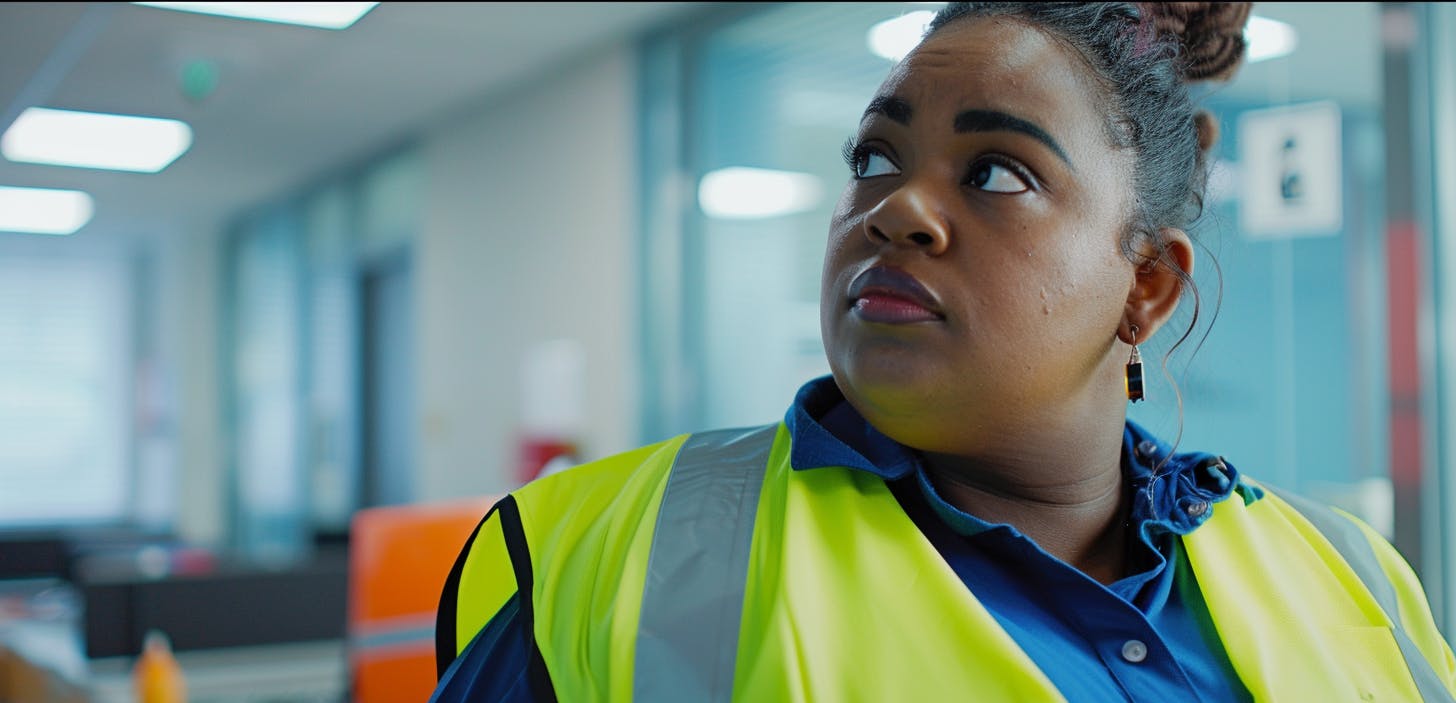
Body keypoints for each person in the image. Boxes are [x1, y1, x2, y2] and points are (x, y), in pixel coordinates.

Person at [432, 3, 1456, 701]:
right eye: (874, 159)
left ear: (1145, 285)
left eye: (997, 173)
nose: (896, 210)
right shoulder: (598, 556)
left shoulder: (1353, 578)